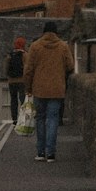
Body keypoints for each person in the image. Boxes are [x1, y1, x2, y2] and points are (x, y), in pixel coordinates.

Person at [23, 21, 73, 163]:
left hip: (39, 89)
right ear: (56, 32)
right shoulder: (63, 46)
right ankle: (51, 153)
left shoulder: (35, 46)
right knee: (53, 120)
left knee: (40, 119)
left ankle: (40, 152)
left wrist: (28, 87)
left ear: (43, 32)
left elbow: (28, 70)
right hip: (57, 89)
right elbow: (70, 65)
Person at [4, 35, 27, 124]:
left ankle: (14, 119)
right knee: (22, 100)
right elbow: (27, 67)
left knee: (13, 100)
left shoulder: (10, 55)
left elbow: (6, 67)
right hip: (22, 81)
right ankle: (23, 119)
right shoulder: (25, 55)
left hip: (12, 81)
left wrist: (8, 76)